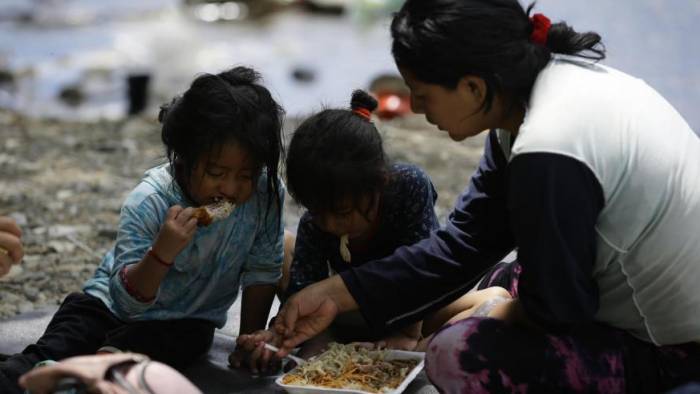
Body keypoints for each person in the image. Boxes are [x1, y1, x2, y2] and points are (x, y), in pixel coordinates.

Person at [272, 0, 700, 392]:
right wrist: (334, 293)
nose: (418, 110)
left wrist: (488, 316)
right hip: (609, 291)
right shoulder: (536, 99)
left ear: (473, 88)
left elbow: (560, 309)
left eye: (423, 95)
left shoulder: (549, 147)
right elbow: (466, 242)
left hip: (670, 348)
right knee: (493, 282)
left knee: (455, 353)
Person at [0, 66, 286, 393]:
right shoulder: (150, 200)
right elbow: (125, 303)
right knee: (52, 349)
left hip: (183, 323)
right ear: (185, 157)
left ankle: (96, 374)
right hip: (107, 304)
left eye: (246, 175)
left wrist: (247, 340)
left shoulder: (266, 195)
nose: (232, 188)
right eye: (217, 172)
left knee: (165, 344)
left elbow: (263, 269)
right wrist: (161, 254)